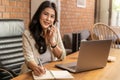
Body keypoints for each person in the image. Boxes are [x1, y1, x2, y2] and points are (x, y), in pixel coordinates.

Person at [20, 1, 66, 76]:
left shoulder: (55, 32)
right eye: (45, 14)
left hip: (50, 72)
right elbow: (28, 60)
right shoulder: (27, 34)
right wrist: (36, 68)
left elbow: (62, 56)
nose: (48, 19)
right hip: (31, 73)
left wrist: (52, 42)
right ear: (39, 15)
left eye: (52, 16)